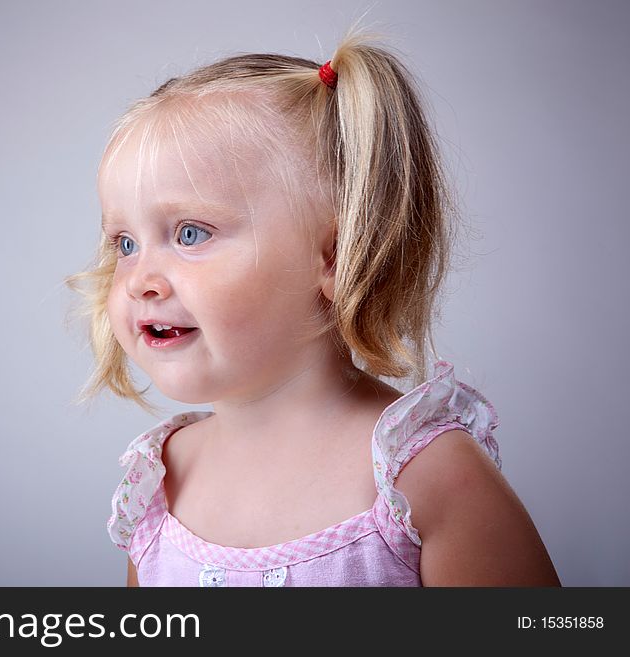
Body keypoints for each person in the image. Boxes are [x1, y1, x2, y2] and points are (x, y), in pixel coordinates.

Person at [66, 25, 561, 587]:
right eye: (124, 244)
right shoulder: (159, 482)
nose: (139, 281)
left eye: (190, 234)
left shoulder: (422, 480)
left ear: (333, 256)